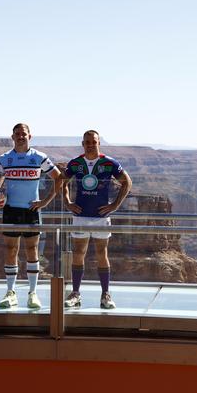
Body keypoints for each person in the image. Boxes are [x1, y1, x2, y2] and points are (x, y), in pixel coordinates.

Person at [0, 123, 61, 309]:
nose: (21, 137)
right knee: (11, 251)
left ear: (30, 136)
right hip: (10, 209)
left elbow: (59, 178)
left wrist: (45, 202)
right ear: (12, 137)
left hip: (32, 211)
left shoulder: (39, 157)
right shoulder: (4, 159)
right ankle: (10, 292)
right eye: (17, 134)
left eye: (24, 134)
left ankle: (32, 293)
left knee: (32, 251)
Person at [61, 129, 132, 309]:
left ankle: (105, 295)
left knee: (102, 254)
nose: (90, 144)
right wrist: (67, 202)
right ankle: (76, 293)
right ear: (82, 144)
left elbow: (127, 181)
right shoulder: (75, 163)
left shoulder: (108, 163)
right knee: (78, 253)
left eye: (93, 141)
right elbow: (61, 181)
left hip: (101, 216)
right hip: (80, 215)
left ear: (99, 143)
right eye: (87, 142)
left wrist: (115, 205)